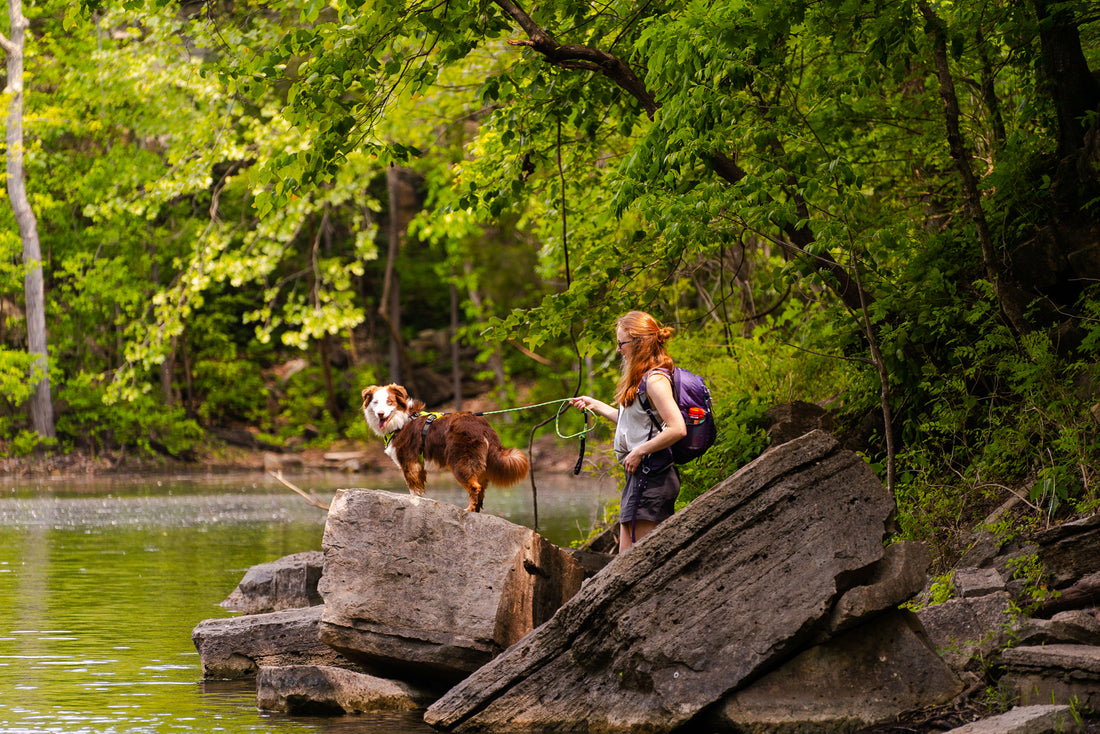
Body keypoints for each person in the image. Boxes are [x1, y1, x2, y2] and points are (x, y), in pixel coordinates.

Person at [571, 311, 687, 552]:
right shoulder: (642, 380)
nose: (618, 349)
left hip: (652, 476)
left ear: (638, 342)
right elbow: (633, 424)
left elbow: (677, 428)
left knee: (635, 561)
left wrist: (637, 452)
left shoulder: (655, 381)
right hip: (642, 476)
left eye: (621, 343)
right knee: (628, 559)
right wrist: (595, 404)